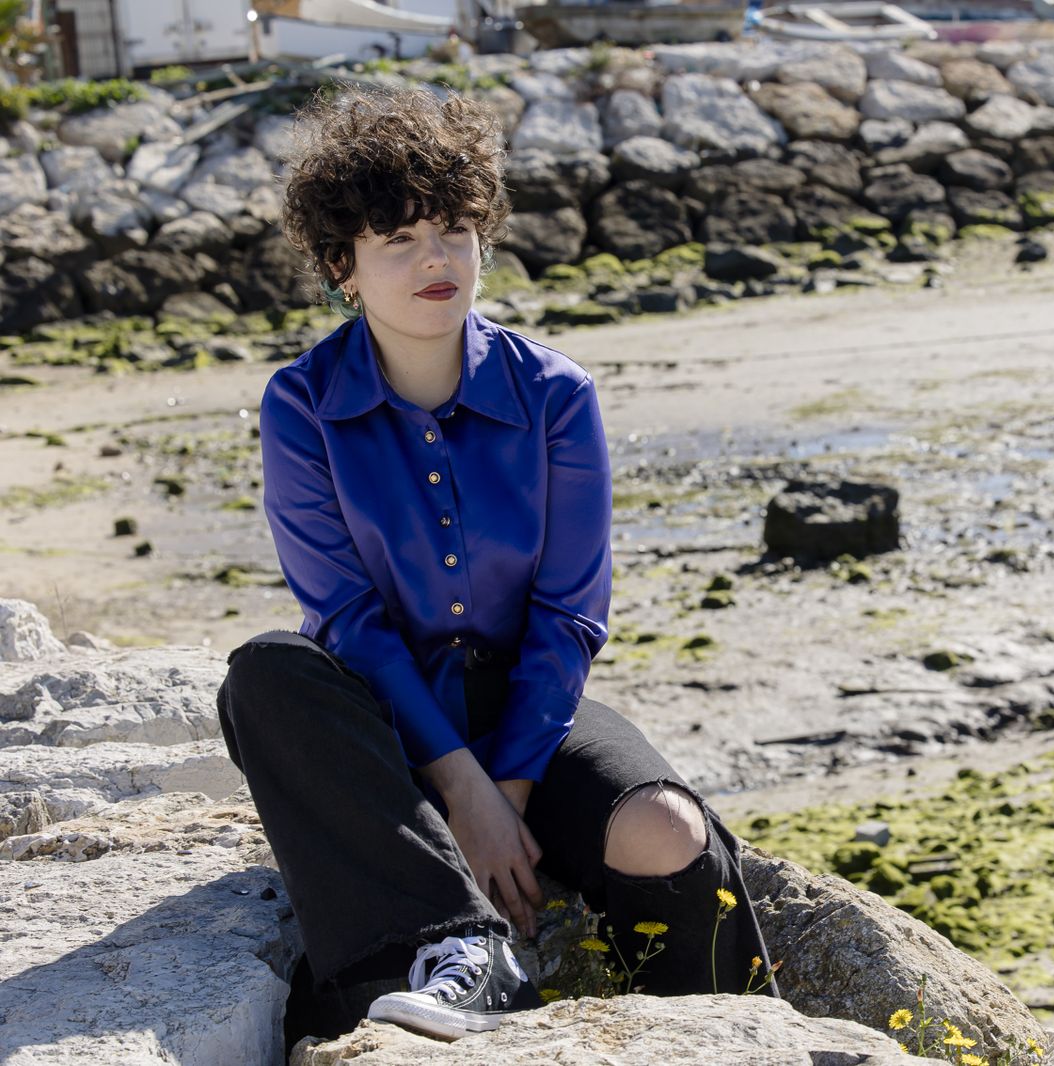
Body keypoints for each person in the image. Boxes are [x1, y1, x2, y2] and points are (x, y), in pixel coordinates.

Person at [216, 84, 776, 1043]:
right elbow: (349, 621)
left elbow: (569, 616)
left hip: (532, 711)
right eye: (399, 239)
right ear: (343, 267)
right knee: (265, 674)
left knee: (668, 831)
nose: (436, 259)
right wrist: (461, 791)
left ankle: (723, 1037)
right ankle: (464, 955)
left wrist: (505, 789)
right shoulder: (300, 406)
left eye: (454, 230)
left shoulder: (557, 394)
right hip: (381, 729)